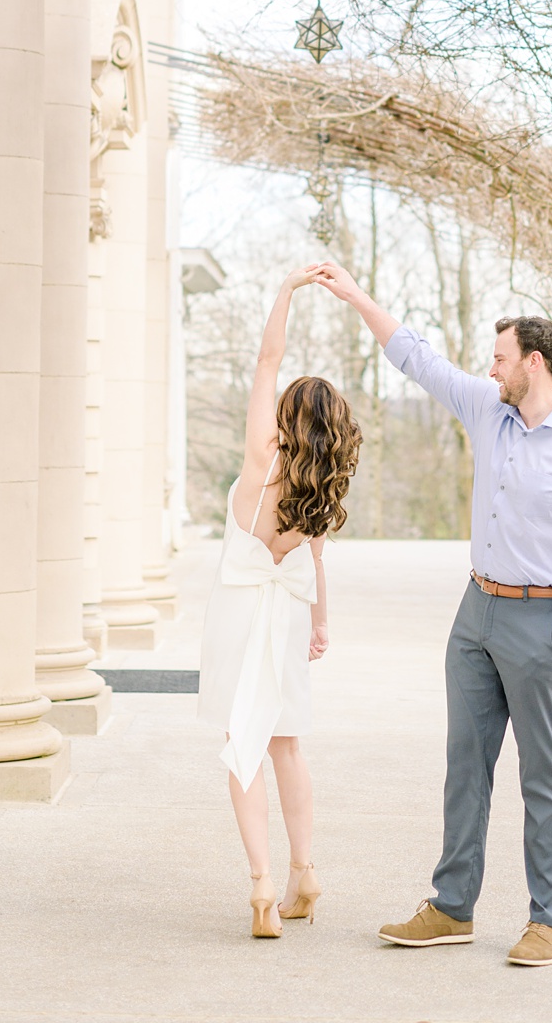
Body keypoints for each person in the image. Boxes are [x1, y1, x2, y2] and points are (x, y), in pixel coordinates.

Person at [302, 261, 552, 971]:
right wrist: (357, 296)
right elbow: (417, 357)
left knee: (543, 775)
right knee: (464, 768)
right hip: (476, 612)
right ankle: (452, 908)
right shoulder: (488, 408)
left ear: (532, 364)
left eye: (501, 357)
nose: (491, 367)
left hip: (542, 622)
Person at [196, 268, 362, 939]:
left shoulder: (263, 457)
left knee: (244, 743)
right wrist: (321, 625)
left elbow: (268, 359)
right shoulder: (319, 489)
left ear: (287, 418)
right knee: (287, 747)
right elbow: (316, 562)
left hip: (239, 613)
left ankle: (264, 886)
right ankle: (306, 871)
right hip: (288, 614)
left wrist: (288, 290)